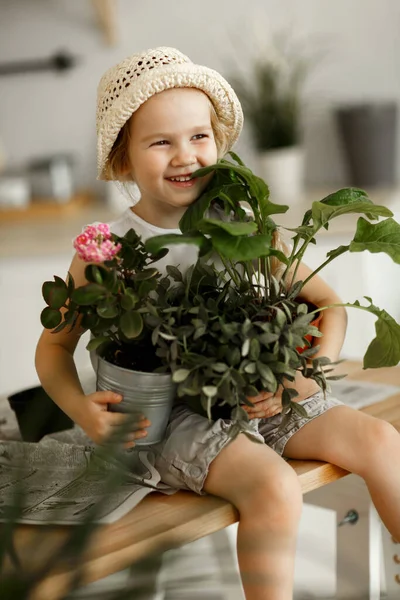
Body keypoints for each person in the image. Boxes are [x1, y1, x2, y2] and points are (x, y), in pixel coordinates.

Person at [35, 47, 400, 600]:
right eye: (161, 141)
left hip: (260, 394)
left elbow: (329, 304)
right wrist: (85, 413)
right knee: (274, 486)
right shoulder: (105, 249)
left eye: (199, 136)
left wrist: (300, 373)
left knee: (379, 439)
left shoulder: (242, 221)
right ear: (123, 160)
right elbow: (53, 350)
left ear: (218, 143)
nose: (186, 156)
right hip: (173, 416)